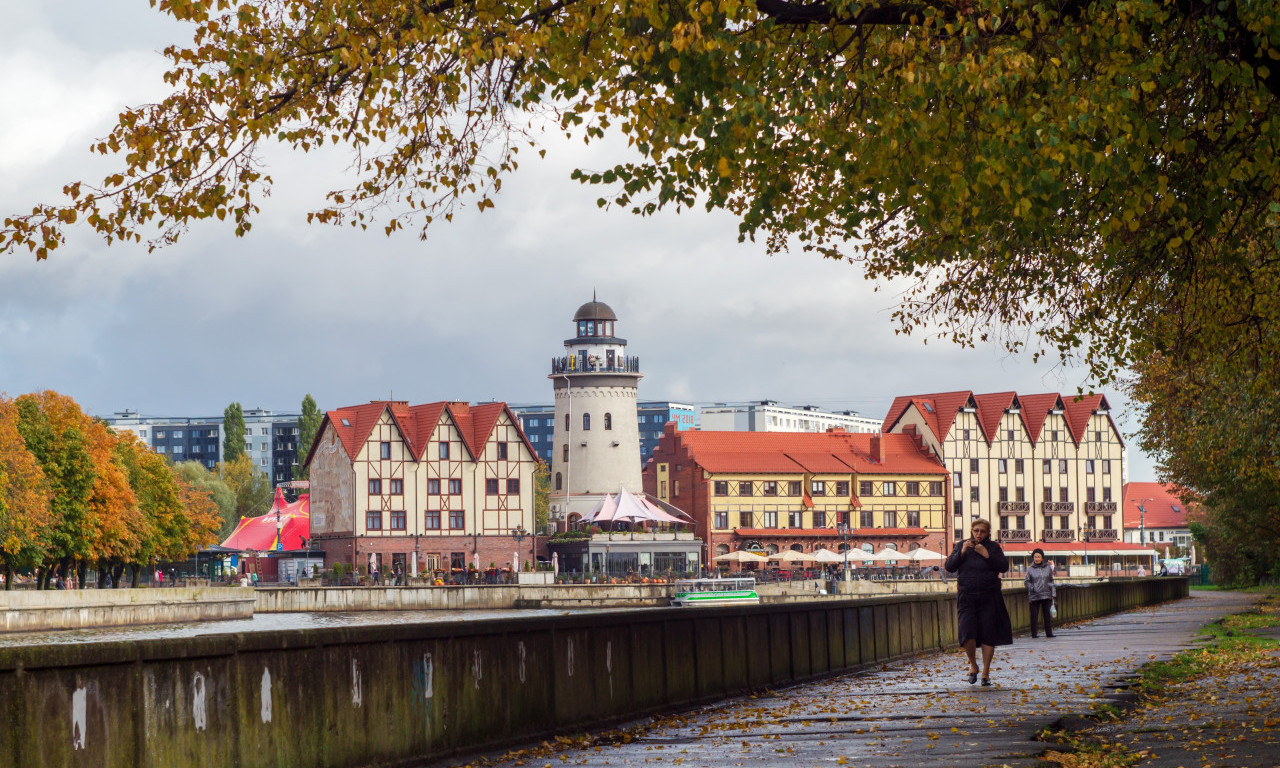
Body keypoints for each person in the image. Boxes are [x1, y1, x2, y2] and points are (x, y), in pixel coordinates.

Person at [944, 519, 1012, 686]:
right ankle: (973, 666)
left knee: (989, 633)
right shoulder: (962, 545)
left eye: (982, 531)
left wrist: (986, 555)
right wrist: (961, 552)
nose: (978, 534)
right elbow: (950, 567)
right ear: (972, 531)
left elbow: (1003, 567)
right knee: (967, 631)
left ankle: (985, 672)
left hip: (989, 596)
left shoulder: (993, 547)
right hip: (967, 596)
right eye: (976, 530)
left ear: (988, 532)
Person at [1024, 548, 1056, 638]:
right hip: (1034, 595)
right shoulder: (1029, 569)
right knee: (1034, 616)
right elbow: (1026, 582)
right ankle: (1034, 634)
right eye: (1035, 557)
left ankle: (1049, 633)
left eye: (1038, 557)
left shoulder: (1048, 568)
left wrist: (1053, 594)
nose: (1036, 558)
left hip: (1046, 594)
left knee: (1047, 615)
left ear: (1042, 558)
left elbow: (1051, 581)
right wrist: (1032, 588)